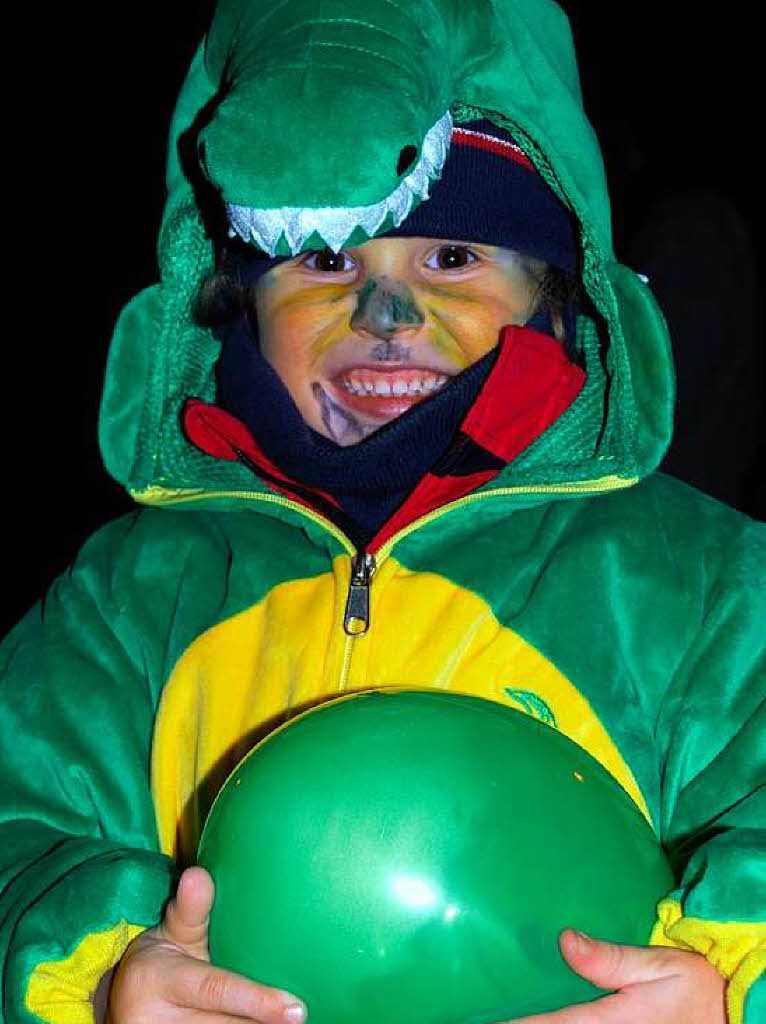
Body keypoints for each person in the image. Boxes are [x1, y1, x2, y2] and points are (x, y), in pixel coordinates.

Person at [1, 2, 763, 1024]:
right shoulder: (125, 602)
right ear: (239, 297)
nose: (386, 318)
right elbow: (18, 827)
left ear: (550, 297)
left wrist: (727, 987)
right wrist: (97, 979)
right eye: (326, 264)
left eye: (451, 260)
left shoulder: (702, 584)